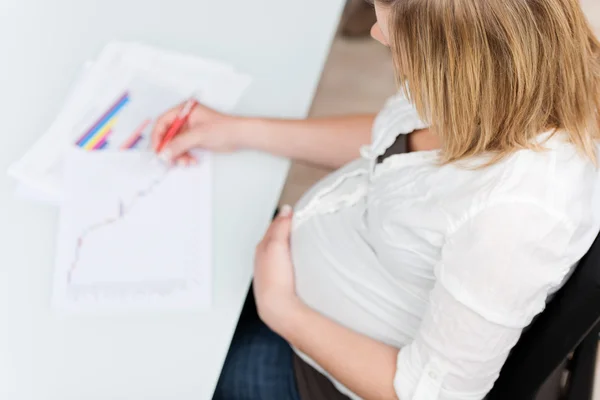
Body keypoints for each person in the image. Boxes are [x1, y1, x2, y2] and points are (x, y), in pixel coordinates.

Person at [151, 0, 600, 399]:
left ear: (452, 54)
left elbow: (431, 394)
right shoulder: (504, 75)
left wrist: (281, 308)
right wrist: (241, 130)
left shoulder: (516, 217)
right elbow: (390, 137)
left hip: (315, 373)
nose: (376, 33)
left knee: (159, 366)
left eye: (388, 24)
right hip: (308, 271)